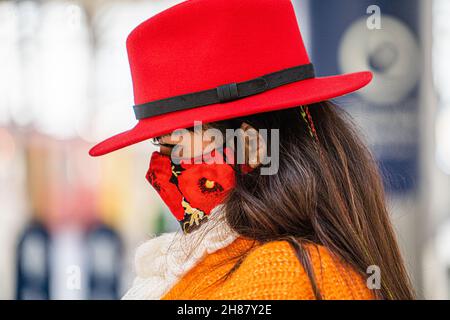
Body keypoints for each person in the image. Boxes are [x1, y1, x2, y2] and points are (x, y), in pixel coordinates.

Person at [89, 0, 415, 300]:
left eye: (172, 142)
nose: (162, 163)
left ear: (248, 144)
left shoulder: (283, 275)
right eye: (158, 142)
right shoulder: (250, 258)